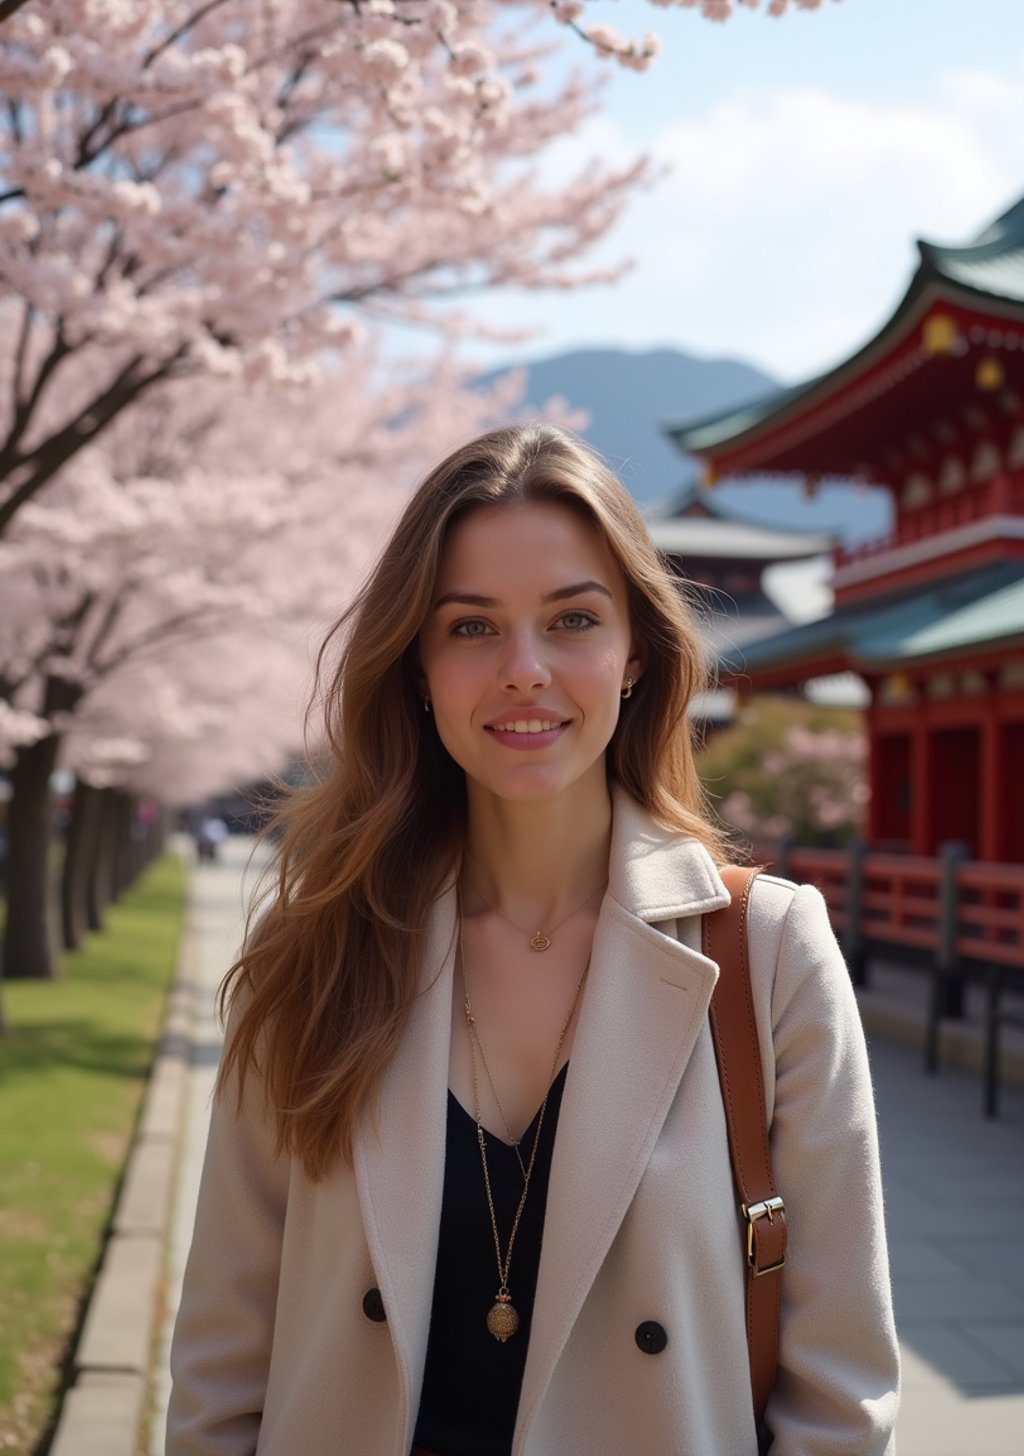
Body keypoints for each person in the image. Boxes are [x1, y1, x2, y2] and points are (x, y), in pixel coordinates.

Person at [166, 424, 900, 1456]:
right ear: (417, 665)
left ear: (635, 654)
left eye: (572, 620)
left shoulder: (766, 953)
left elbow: (840, 1396)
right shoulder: (315, 951)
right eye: (471, 628)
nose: (524, 670)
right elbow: (219, 1371)